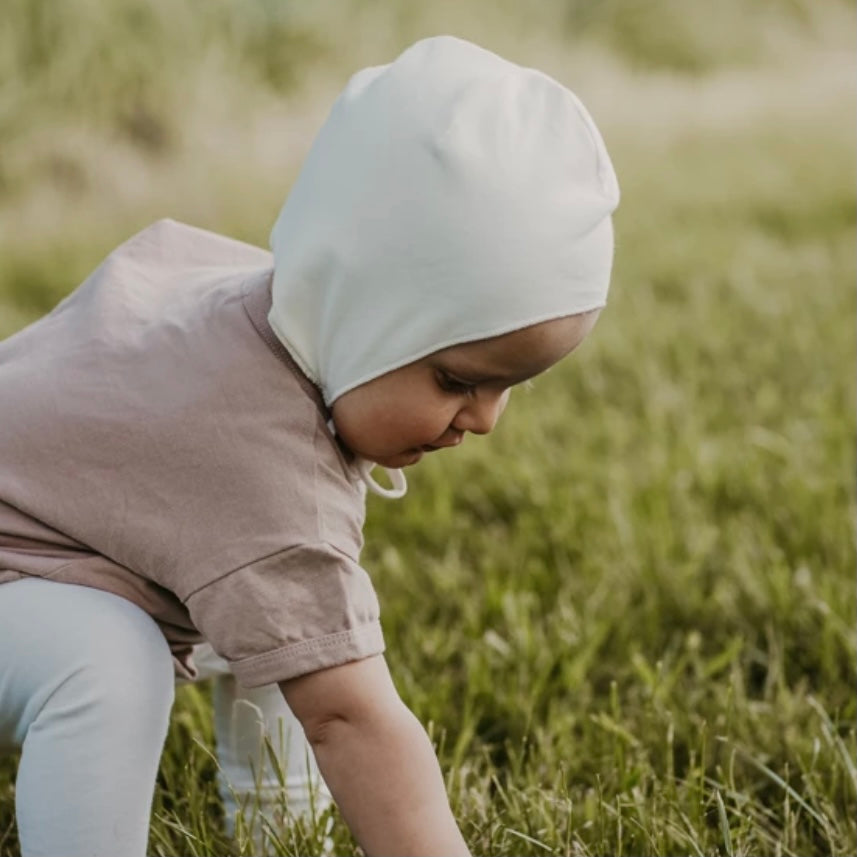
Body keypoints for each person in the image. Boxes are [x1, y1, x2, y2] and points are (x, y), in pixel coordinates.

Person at [0, 34, 619, 857]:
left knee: (281, 612)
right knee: (106, 660)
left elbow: (296, 619)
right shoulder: (253, 455)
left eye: (509, 386)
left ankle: (277, 828)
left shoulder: (253, 312)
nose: (485, 419)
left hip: (45, 543)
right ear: (358, 317)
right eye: (455, 378)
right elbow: (347, 716)